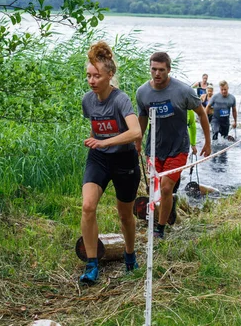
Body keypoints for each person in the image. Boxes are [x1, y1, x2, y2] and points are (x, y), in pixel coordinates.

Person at [80, 41, 142, 284]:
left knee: (125, 214)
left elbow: (136, 132)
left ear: (109, 75)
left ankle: (129, 255)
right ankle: (92, 264)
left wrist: (105, 142)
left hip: (124, 159)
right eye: (88, 76)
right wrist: (100, 145)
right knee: (87, 207)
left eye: (96, 76)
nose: (92, 81)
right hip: (99, 158)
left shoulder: (121, 100)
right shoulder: (88, 100)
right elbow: (96, 127)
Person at [136, 52, 211, 239]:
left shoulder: (183, 91)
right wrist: (137, 142)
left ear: (169, 70)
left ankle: (160, 229)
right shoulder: (142, 92)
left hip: (178, 148)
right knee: (154, 189)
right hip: (154, 148)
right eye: (154, 69)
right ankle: (169, 206)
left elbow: (201, 114)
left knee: (166, 187)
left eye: (161, 70)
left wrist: (207, 142)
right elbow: (142, 118)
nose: (157, 73)